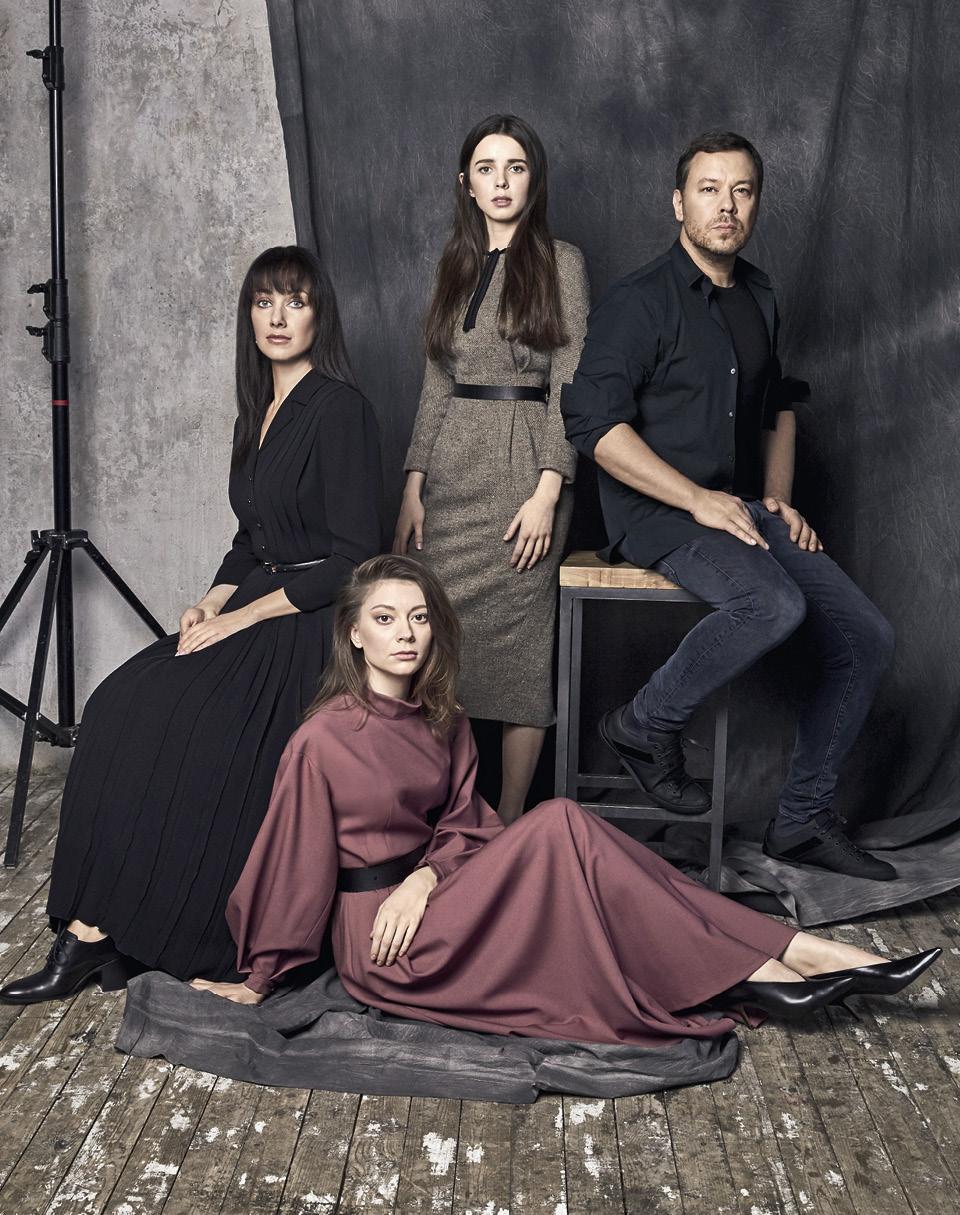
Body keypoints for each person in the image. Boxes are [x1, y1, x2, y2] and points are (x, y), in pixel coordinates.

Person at [193, 555, 938, 1049]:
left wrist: (424, 877)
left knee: (580, 852)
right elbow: (290, 862)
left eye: (418, 617)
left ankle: (778, 963)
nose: (406, 634)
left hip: (439, 899)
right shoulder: (322, 739)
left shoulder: (444, 719)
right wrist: (258, 980)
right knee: (558, 821)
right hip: (387, 945)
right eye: (385, 619)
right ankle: (785, 956)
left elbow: (464, 823)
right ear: (354, 634)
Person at [0, 246, 383, 1006]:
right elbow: (250, 538)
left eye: (295, 301)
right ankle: (88, 931)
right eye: (264, 302)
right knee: (116, 705)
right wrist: (211, 602)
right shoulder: (257, 412)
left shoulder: (341, 409)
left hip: (309, 620)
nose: (278, 318)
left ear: (321, 315)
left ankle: (140, 932)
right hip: (253, 603)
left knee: (191, 724)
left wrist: (243, 616)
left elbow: (353, 560)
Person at [560, 131, 898, 881]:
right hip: (660, 515)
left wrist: (777, 496)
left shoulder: (760, 294)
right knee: (772, 604)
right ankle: (641, 726)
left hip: (739, 509)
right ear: (678, 202)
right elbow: (594, 427)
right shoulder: (638, 300)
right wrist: (696, 500)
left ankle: (802, 817)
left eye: (741, 191)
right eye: (709, 189)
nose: (726, 206)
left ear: (756, 204)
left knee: (868, 638)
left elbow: (778, 405)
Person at [393, 114, 589, 823]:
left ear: (533, 181)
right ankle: (449, 811)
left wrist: (548, 490)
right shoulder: (453, 265)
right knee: (436, 645)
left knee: (520, 652)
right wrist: (413, 485)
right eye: (486, 168)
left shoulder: (561, 262)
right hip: (452, 472)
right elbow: (435, 384)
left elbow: (571, 382)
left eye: (515, 167)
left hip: (524, 469)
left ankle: (507, 819)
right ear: (466, 184)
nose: (501, 182)